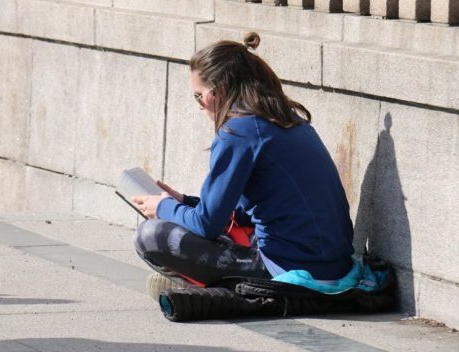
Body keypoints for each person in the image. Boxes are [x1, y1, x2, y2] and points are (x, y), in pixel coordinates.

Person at [132, 32, 354, 297]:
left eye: (198, 96)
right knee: (203, 228)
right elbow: (240, 213)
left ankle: (200, 288)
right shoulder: (288, 120)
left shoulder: (238, 132)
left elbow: (207, 225)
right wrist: (183, 202)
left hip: (295, 269)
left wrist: (164, 207)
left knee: (150, 236)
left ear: (219, 92)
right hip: (334, 265)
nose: (200, 106)